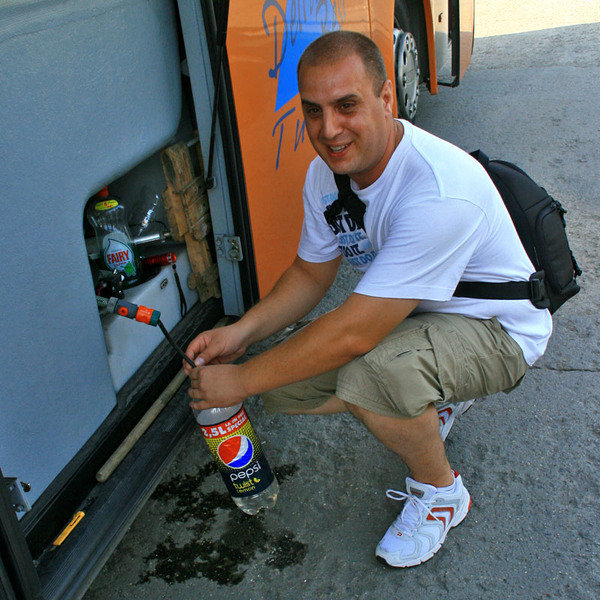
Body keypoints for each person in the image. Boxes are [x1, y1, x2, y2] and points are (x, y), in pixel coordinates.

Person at [184, 30, 552, 567]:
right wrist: (240, 335)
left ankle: (441, 493)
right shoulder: (327, 175)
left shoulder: (436, 188)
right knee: (284, 385)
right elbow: (310, 274)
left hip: (500, 331)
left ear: (385, 98)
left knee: (370, 374)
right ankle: (427, 399)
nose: (328, 130)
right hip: (421, 315)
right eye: (313, 111)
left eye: (346, 105)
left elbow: (355, 332)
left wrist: (238, 380)